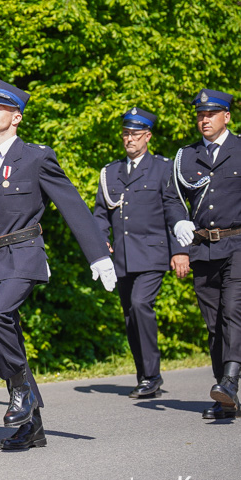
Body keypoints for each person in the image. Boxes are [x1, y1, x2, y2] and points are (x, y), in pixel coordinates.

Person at [0, 79, 116, 450]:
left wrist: (98, 255)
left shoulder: (37, 157)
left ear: (16, 117)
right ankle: (32, 427)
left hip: (24, 255)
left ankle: (21, 390)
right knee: (4, 334)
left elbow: (71, 204)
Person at [165, 89, 241, 420]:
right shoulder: (186, 155)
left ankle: (230, 380)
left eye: (210, 114)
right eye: (199, 115)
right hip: (203, 248)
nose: (204, 120)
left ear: (226, 116)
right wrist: (179, 228)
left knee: (232, 311)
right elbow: (171, 198)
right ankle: (224, 394)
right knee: (214, 324)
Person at [93, 108, 190, 399]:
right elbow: (100, 214)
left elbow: (174, 209)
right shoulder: (110, 172)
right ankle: (144, 376)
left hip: (152, 254)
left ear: (148, 136)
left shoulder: (162, 167)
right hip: (122, 257)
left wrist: (181, 251)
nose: (129, 139)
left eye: (135, 134)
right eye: (125, 133)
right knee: (129, 316)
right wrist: (101, 243)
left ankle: (152, 375)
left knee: (140, 304)